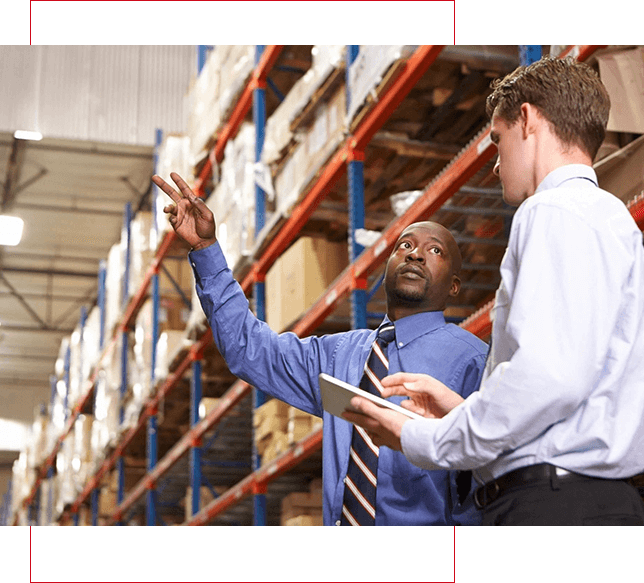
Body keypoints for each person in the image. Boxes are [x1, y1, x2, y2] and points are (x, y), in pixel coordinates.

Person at [345, 56, 644, 526]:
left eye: (498, 142)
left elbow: (547, 376)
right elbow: (575, 383)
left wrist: (417, 437)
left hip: (549, 506)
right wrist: (465, 410)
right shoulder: (613, 222)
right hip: (597, 500)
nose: (496, 165)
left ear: (527, 120)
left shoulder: (550, 211)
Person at [151, 171, 488, 526]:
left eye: (434, 250)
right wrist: (206, 251)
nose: (415, 255)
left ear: (454, 287)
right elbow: (250, 349)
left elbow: (494, 478)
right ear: (386, 268)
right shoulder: (341, 355)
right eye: (404, 245)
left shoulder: (473, 360)